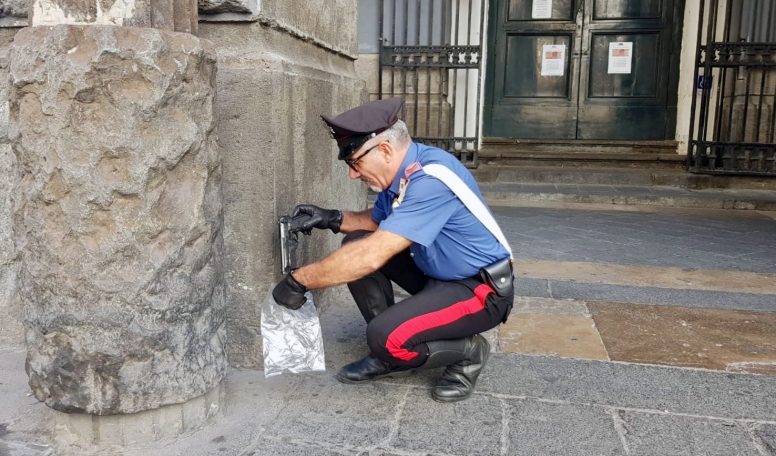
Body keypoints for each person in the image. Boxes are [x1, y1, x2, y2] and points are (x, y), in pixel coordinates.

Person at [272, 98, 514, 402]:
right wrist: (331, 217)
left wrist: (299, 281)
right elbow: (375, 223)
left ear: (384, 150)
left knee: (383, 334)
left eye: (355, 163)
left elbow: (372, 255)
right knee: (356, 241)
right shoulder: (402, 175)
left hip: (480, 290)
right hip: (437, 274)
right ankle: (393, 345)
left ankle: (467, 352)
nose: (353, 174)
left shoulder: (431, 179)